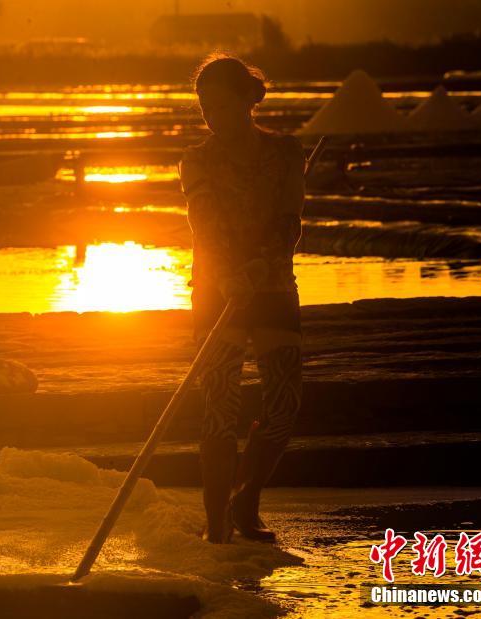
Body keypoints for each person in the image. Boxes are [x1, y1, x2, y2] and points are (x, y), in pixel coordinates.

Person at [178, 54, 305, 544]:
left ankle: (245, 500)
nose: (211, 115)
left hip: (273, 285)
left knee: (284, 402)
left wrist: (261, 262)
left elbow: (288, 217)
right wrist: (230, 273)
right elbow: (204, 222)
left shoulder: (286, 152)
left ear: (247, 101)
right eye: (204, 106)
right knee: (219, 407)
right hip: (216, 289)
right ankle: (216, 525)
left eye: (221, 104)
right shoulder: (197, 160)